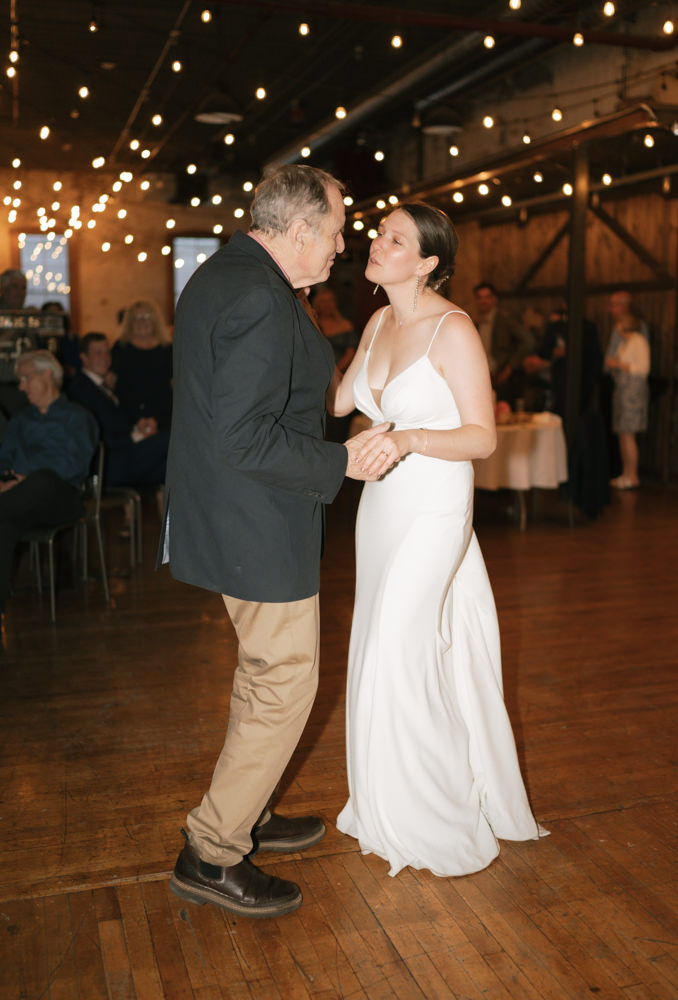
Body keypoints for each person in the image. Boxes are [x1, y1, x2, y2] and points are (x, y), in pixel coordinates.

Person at [159, 164, 391, 918]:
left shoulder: (226, 274)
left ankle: (247, 809)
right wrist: (341, 460)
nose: (342, 244)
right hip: (255, 521)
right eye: (335, 230)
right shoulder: (262, 297)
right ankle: (213, 851)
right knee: (285, 685)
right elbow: (242, 434)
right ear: (298, 232)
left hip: (231, 517)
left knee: (262, 681)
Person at [327, 202, 543, 878]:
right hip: (381, 504)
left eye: (394, 238)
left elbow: (481, 438)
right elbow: (341, 405)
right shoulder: (377, 320)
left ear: (425, 262)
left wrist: (409, 438)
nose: (377, 242)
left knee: (403, 645)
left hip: (434, 503)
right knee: (374, 642)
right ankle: (385, 801)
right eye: (377, 233)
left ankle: (439, 811)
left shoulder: (453, 328)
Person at [0, 350, 98, 620]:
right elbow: (4, 459)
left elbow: (73, 465)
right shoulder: (20, 421)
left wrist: (24, 477)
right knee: (3, 526)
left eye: (25, 378)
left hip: (62, 499)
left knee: (42, 479)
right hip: (18, 502)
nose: (20, 387)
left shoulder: (78, 418)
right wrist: (6, 481)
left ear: (46, 376)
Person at [68, 333, 168, 487]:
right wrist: (136, 437)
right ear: (84, 357)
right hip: (108, 464)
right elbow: (94, 435)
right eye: (98, 353)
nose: (105, 358)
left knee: (174, 462)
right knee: (171, 442)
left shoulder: (104, 386)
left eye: (107, 352)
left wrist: (138, 427)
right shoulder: (81, 390)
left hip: (124, 455)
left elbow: (117, 420)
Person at [111, 300, 173, 430]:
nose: (142, 321)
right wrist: (137, 418)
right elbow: (115, 386)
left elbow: (172, 387)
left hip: (163, 418)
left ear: (155, 321)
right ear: (129, 322)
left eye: (146, 317)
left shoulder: (167, 349)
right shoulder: (120, 348)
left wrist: (157, 419)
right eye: (136, 318)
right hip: (128, 418)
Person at [605, 320, 650, 489]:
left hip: (632, 392)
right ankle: (626, 473)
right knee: (622, 433)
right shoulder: (627, 343)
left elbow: (642, 368)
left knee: (628, 433)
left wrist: (617, 364)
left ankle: (632, 475)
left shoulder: (638, 341)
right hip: (622, 391)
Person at [473, 281, 532, 406]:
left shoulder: (505, 320)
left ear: (494, 299)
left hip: (505, 378)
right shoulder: (475, 323)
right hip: (485, 378)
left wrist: (510, 367)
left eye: (487, 297)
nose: (483, 301)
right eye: (480, 298)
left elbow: (527, 340)